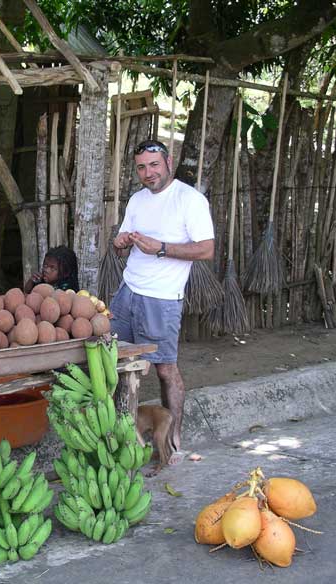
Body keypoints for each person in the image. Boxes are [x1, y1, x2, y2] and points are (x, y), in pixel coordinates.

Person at [110, 140, 214, 466]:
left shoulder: (190, 200)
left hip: (163, 298)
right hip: (128, 292)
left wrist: (162, 248)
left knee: (165, 369)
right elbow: (120, 247)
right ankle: (123, 435)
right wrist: (121, 242)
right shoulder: (137, 200)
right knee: (111, 362)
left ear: (168, 161)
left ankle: (174, 439)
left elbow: (206, 249)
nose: (148, 173)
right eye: (141, 167)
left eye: (154, 165)